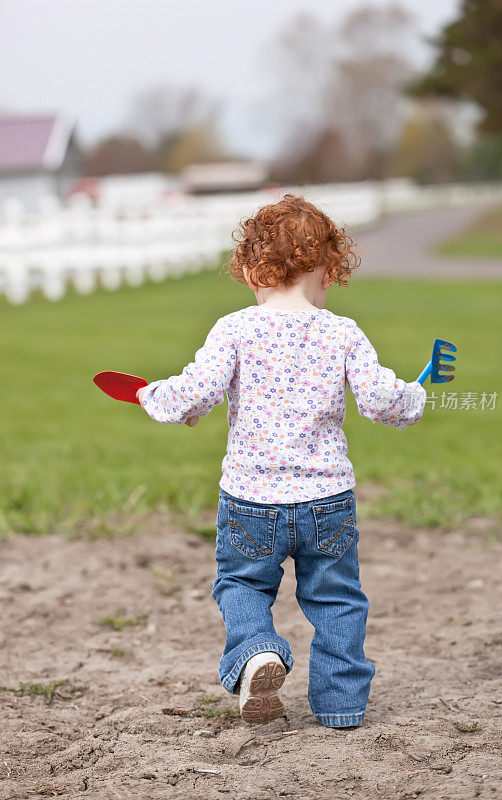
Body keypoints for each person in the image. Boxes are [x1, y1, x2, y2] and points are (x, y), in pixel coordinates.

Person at [137, 194, 426, 728]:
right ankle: (342, 704)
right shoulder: (342, 332)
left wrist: (154, 396)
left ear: (250, 270)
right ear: (327, 269)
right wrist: (415, 397)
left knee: (241, 586)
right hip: (326, 501)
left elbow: (192, 393)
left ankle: (257, 652)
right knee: (338, 599)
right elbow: (384, 402)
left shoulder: (235, 329)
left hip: (251, 502)